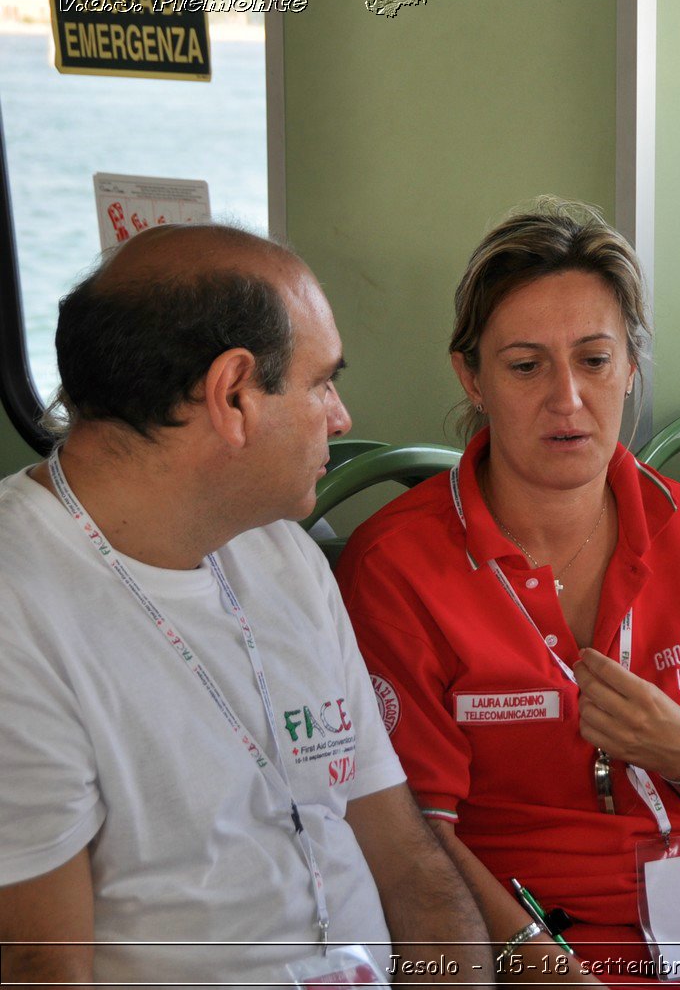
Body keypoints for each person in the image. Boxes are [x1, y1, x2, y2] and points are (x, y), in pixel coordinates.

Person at [336, 201, 680, 987]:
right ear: (473, 376)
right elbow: (412, 843)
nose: (567, 398)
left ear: (631, 364)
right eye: (526, 365)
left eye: (594, 360)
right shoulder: (397, 565)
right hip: (518, 952)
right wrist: (553, 973)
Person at [0, 224, 491, 986]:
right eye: (322, 382)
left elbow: (404, 860)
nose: (341, 417)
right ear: (233, 395)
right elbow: (41, 968)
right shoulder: (17, 604)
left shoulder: (283, 553)